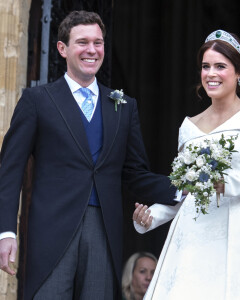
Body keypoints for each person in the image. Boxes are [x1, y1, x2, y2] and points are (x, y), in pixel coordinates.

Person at [0, 10, 178, 300]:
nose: (92, 50)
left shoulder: (123, 106)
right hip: (52, 231)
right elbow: (9, 172)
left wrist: (184, 189)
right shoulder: (38, 101)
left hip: (103, 232)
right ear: (62, 48)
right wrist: (6, 231)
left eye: (98, 42)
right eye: (82, 42)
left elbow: (135, 174)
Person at [133, 29, 240, 299]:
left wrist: (228, 183)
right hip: (192, 234)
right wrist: (151, 217)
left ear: (239, 72)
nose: (211, 74)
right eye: (206, 66)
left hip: (239, 229)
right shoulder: (188, 126)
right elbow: (186, 192)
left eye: (221, 66)